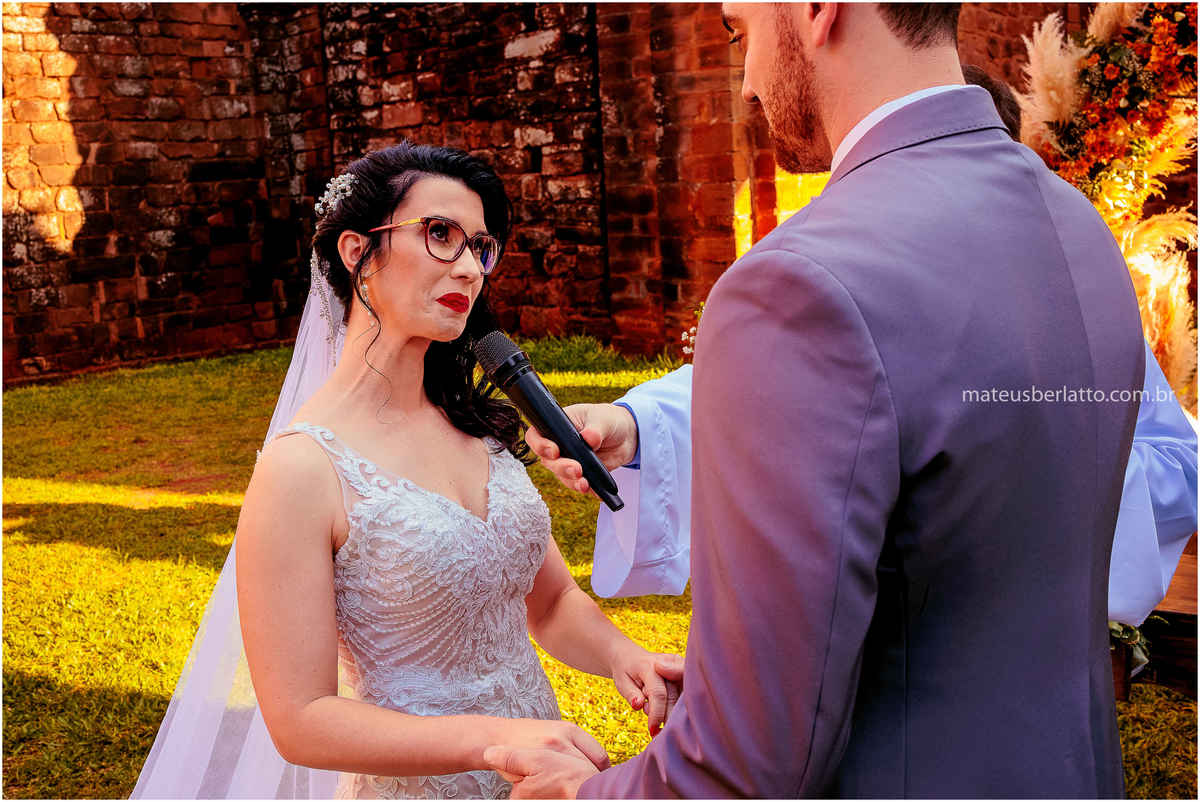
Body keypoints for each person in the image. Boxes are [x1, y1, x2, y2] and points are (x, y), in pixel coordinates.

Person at [484, 3, 1146, 797]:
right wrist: (749, 687)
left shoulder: (796, 282)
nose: (748, 83)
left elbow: (744, 768)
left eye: (741, 32)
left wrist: (580, 794)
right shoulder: (1076, 224)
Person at [534, 67, 1198, 623]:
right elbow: (763, 389)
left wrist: (1037, 477)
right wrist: (634, 429)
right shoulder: (853, 271)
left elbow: (1177, 461)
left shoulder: (1075, 284)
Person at [131, 143, 682, 799]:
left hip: (545, 778)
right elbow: (302, 720)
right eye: (440, 234)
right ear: (357, 251)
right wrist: (494, 741)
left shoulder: (477, 421)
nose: (469, 269)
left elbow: (552, 602)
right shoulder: (302, 469)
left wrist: (625, 656)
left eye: (480, 247)